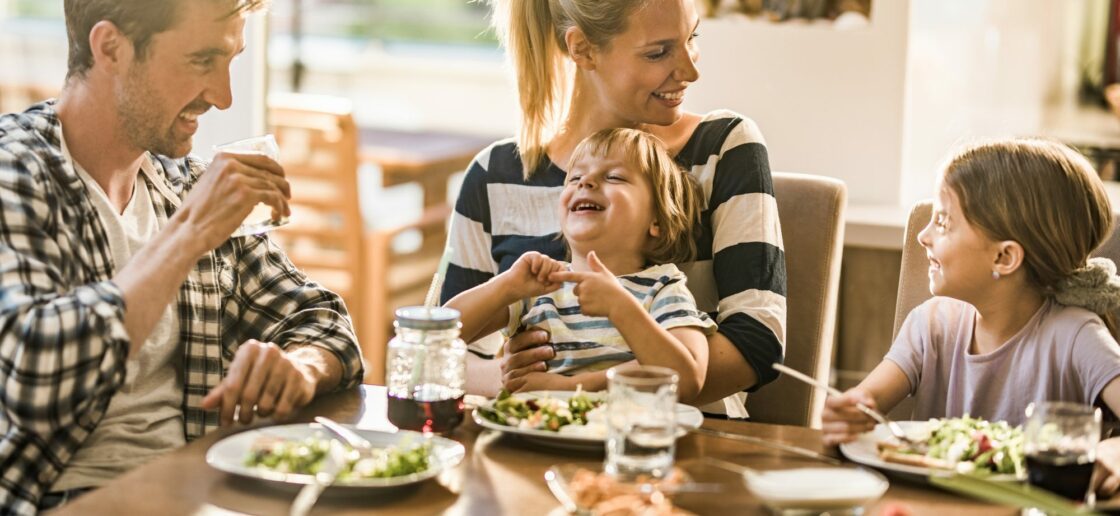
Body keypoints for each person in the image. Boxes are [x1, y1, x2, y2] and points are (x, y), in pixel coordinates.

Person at [0, 1, 364, 512]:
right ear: (111, 48)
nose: (223, 95)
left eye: (232, 60)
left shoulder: (183, 184)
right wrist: (189, 233)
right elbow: (33, 382)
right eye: (201, 60)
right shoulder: (15, 173)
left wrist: (299, 368)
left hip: (198, 490)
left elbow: (323, 321)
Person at [441, 0, 786, 417]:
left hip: (679, 444)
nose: (691, 71)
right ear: (583, 48)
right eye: (658, 52)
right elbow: (437, 346)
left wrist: (573, 389)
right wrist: (518, 381)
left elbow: (758, 341)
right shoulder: (494, 175)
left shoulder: (723, 147)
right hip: (536, 437)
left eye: (691, 38)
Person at [821, 139, 1120, 445]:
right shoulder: (931, 324)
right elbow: (866, 402)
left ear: (1004, 258)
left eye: (943, 222)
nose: (923, 236)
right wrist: (847, 414)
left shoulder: (1075, 335)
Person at [446, 128, 716, 401]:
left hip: (624, 439)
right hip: (533, 436)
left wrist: (621, 309)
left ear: (656, 220)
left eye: (614, 177)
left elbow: (687, 379)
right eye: (574, 178)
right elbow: (439, 336)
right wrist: (504, 286)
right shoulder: (539, 287)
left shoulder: (663, 287)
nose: (585, 182)